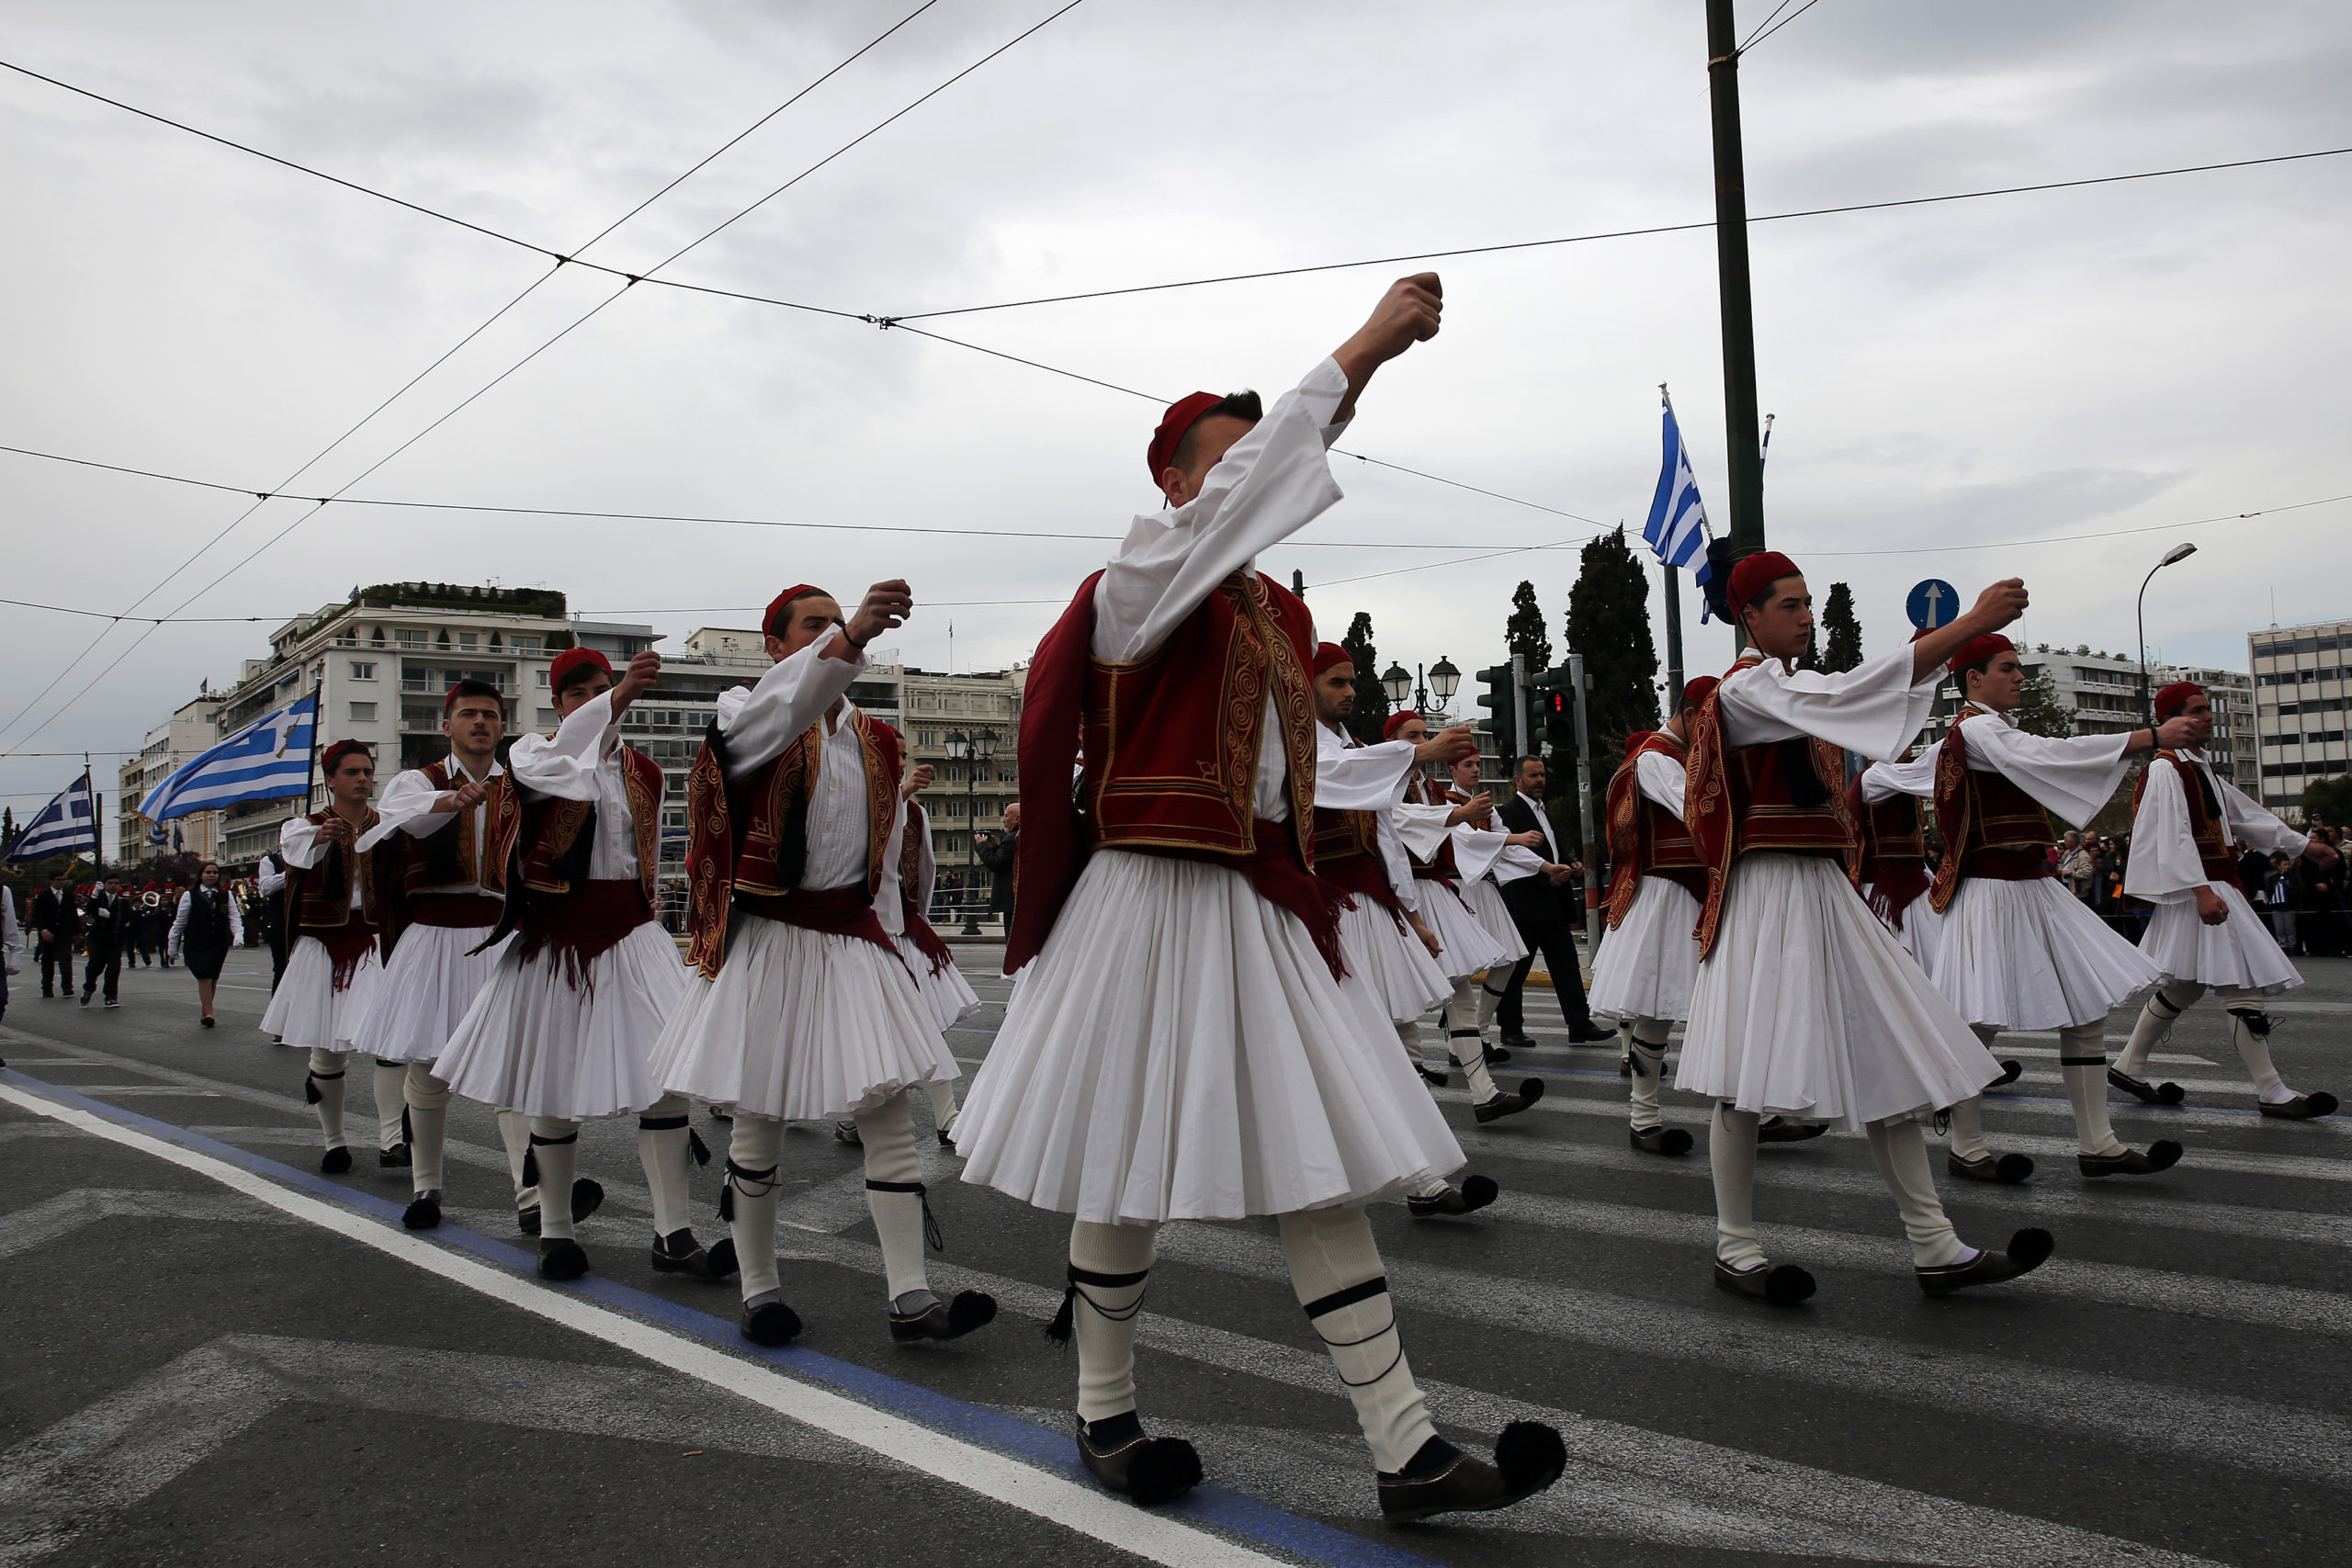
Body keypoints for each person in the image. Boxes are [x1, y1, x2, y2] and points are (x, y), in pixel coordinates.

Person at [955, 276, 1566, 1520]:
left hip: (1250, 901)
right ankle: (1105, 1403)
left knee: (1318, 1167)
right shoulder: (1138, 576)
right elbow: (1258, 483)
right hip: (1145, 895)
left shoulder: (1269, 619)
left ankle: (1405, 1446)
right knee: (1122, 1162)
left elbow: (1310, 777)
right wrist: (1361, 355)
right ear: (1180, 483)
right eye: (1225, 465)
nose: (1248, 484)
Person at [1679, 551, 2052, 1304]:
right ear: (1747, 616)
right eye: (1788, 605)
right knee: (1744, 1078)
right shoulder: (1747, 689)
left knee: (1889, 1057)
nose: (1805, 617)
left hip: (1821, 886)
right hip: (1769, 890)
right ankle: (1735, 1243)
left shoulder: (1795, 690)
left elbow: (1854, 699)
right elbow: (1850, 691)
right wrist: (1968, 625)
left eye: (1809, 603)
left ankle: (1935, 1243)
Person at [654, 582, 987, 1345]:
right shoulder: (748, 711)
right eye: (814, 627)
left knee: (887, 1118)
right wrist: (851, 641)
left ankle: (911, 1297)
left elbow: (897, 853)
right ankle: (761, 1289)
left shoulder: (877, 739)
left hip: (849, 936)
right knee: (759, 1119)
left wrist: (904, 936)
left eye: (836, 625)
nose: (831, 634)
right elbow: (781, 714)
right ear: (774, 647)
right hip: (773, 936)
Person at [437, 647, 727, 1283]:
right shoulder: (534, 756)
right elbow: (564, 767)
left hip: (630, 932)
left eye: (603, 688)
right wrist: (615, 698)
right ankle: (556, 1228)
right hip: (558, 936)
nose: (599, 698)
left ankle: (673, 1230)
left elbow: (642, 860)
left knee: (666, 1082)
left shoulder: (644, 771)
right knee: (553, 1081)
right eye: (581, 693)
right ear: (559, 704)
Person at [1860, 636, 2192, 1180]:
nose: (2019, 677)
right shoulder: (1974, 730)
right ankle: (1967, 1147)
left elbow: (1898, 777)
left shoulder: (1975, 736)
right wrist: (2147, 737)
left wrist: (1886, 779)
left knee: (2085, 1012)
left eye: (2018, 668)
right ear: (1974, 678)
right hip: (1990, 888)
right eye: (2008, 668)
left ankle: (2098, 1144)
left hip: (2031, 885)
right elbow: (2043, 754)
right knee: (1978, 1018)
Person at [2112, 682, 2344, 1116]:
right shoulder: (2166, 768)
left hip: (2213, 884)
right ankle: (2272, 1090)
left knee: (2185, 985)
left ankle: (2129, 1065)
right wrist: (2199, 889)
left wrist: (2302, 847)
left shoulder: (2198, 768)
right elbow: (2172, 834)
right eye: (2197, 711)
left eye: (2206, 710)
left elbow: (2244, 816)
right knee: (2242, 986)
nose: (2207, 717)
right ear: (2171, 719)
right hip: (2204, 886)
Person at [353, 680, 522, 1232]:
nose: (480, 723)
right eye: (469, 715)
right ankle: (427, 1186)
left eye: (491, 715)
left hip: (499, 935)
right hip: (436, 934)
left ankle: (532, 1194)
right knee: (428, 1069)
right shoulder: (417, 782)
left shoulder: (521, 783)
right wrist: (450, 800)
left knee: (514, 1068)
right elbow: (401, 820)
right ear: (446, 726)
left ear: (502, 726)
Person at [1589, 679, 1716, 1157]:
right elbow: (1699, 809)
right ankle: (1644, 1118)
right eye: (1708, 723)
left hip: (1698, 888)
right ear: (1688, 714)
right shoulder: (1657, 757)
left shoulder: (1681, 754)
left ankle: (1753, 1110)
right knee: (1657, 1008)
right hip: (1669, 891)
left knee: (1720, 1000)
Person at [259, 742, 400, 1170]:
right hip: (323, 945)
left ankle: (392, 1139)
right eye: (353, 772)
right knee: (327, 1050)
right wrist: (320, 838)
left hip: (375, 942)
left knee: (389, 1043)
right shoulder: (304, 826)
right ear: (331, 780)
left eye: (367, 771)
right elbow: (296, 857)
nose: (362, 779)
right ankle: (334, 1141)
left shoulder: (386, 824)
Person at [1492, 756, 1616, 1048]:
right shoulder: (1506, 813)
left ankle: (1579, 1023)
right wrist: (1548, 874)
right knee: (1516, 970)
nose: (1540, 781)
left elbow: (1554, 847)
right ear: (1518, 780)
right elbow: (1510, 856)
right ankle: (1510, 1028)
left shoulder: (1543, 811)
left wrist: (1569, 863)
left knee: (1567, 966)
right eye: (1533, 776)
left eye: (1542, 775)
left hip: (1553, 903)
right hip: (1525, 904)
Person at [165, 862, 243, 1027]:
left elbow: (234, 916)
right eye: (208, 872)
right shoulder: (189, 895)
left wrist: (238, 935)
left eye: (215, 872)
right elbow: (180, 922)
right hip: (197, 943)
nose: (212, 875)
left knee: (213, 978)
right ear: (201, 875)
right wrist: (173, 947)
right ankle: (209, 1013)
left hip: (218, 942)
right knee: (204, 976)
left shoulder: (226, 895)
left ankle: (205, 1012)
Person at [79, 873, 130, 1009]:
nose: (113, 886)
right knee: (94, 967)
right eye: (110, 883)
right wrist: (95, 894)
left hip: (114, 940)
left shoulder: (122, 902)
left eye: (116, 883)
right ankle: (89, 988)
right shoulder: (99, 899)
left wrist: (109, 915)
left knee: (113, 969)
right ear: (105, 885)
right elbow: (89, 910)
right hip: (98, 940)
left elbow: (124, 918)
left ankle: (111, 996)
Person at [976, 804, 1021, 932]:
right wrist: (995, 848)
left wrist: (981, 846)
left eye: (1006, 815)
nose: (1004, 819)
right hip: (1019, 899)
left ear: (1017, 819)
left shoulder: (1012, 839)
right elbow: (1007, 861)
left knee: (1012, 937)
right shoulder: (1020, 835)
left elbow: (996, 864)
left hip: (1011, 900)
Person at [31, 870, 75, 998]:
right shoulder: (44, 895)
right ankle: (47, 988)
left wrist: (77, 932)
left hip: (64, 933)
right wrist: (43, 930)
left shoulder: (68, 895)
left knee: (65, 960)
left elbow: (73, 914)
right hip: (48, 933)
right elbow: (37, 915)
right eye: (58, 879)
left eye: (63, 880)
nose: (61, 882)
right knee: (48, 961)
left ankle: (67, 987)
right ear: (51, 881)